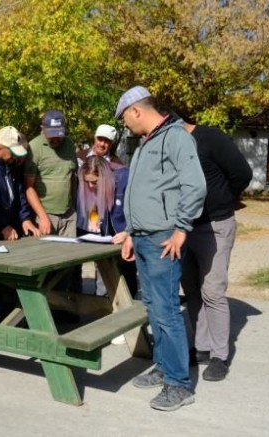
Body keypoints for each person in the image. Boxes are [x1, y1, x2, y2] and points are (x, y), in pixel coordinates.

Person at [115, 85, 206, 412]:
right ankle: (165, 366)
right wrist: (129, 232)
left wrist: (181, 228)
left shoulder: (176, 137)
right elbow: (143, 193)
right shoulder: (146, 144)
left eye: (125, 117)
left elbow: (194, 185)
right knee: (154, 306)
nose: (125, 124)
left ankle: (179, 385)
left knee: (166, 309)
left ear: (136, 111)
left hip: (163, 238)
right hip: (142, 237)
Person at [181, 121, 252, 382]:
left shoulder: (210, 138)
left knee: (212, 290)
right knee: (191, 289)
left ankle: (219, 356)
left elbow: (242, 173)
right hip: (185, 227)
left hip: (215, 225)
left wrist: (223, 197)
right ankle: (201, 348)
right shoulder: (174, 144)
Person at [25, 110, 82, 296]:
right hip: (45, 215)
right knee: (46, 265)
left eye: (59, 135)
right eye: (52, 136)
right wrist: (42, 217)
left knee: (70, 264)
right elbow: (29, 187)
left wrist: (74, 207)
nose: (56, 140)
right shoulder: (34, 148)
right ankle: (46, 308)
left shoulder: (70, 144)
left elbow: (72, 177)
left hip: (68, 214)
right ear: (42, 129)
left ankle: (68, 306)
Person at [75, 155, 137, 297]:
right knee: (106, 275)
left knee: (128, 276)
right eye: (87, 182)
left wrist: (128, 232)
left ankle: (131, 310)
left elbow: (137, 210)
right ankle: (106, 308)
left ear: (104, 177)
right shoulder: (92, 185)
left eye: (94, 182)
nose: (90, 186)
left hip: (126, 237)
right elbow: (94, 203)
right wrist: (93, 217)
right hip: (108, 237)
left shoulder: (125, 178)